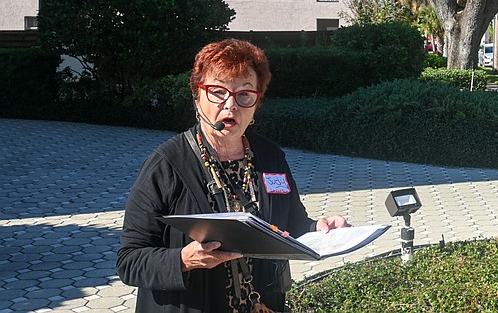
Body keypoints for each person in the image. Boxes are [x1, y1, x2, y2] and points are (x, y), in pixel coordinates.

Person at [117, 39, 349, 312]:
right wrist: (184, 259)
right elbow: (129, 261)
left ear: (256, 102)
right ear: (197, 95)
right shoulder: (165, 165)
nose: (231, 105)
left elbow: (292, 225)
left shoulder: (271, 157)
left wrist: (319, 229)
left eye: (244, 94)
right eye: (218, 92)